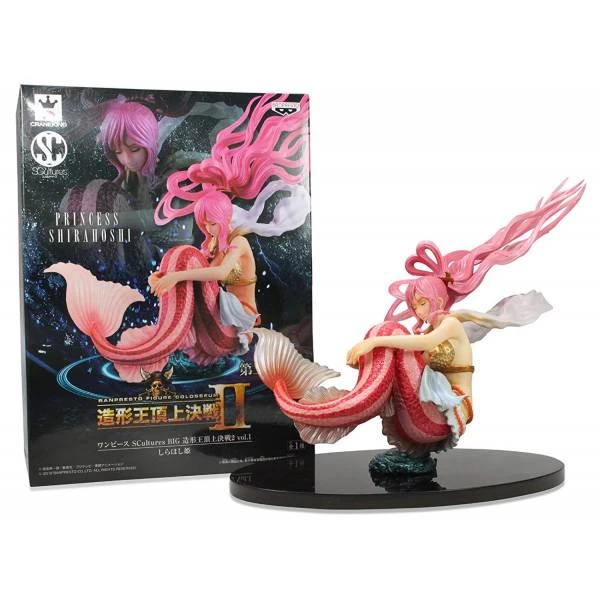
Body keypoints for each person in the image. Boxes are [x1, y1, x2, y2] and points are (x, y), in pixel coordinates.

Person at [251, 180, 585, 460]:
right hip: (423, 415)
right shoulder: (434, 326)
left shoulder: (450, 325)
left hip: (445, 415)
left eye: (421, 302)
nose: (418, 310)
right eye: (414, 304)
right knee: (389, 335)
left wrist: (373, 343)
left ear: (437, 299)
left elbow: (423, 343)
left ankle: (343, 404)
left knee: (388, 330)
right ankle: (328, 405)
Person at [46, 93, 310, 383]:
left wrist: (173, 275)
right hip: (175, 278)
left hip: (237, 319)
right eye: (118, 152)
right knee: (180, 262)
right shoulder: (207, 239)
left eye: (134, 149)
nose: (127, 159)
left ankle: (172, 339)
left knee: (184, 257)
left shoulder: (236, 241)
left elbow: (206, 262)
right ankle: (159, 340)